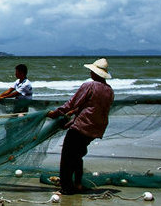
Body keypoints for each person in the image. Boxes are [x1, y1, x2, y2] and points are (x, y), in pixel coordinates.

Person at [45, 58, 114, 195]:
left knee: (67, 156)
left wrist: (56, 113)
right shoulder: (109, 90)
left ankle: (66, 188)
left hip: (82, 126)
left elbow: (72, 102)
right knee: (77, 156)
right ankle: (77, 184)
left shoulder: (90, 85)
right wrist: (74, 113)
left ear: (95, 73)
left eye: (91, 71)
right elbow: (93, 107)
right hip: (95, 129)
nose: (90, 73)